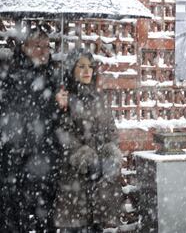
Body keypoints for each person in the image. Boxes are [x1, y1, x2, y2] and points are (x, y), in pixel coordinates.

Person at [0, 27, 63, 231]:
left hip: (46, 157)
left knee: (45, 215)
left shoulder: (54, 74)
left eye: (47, 46)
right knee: (16, 216)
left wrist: (62, 104)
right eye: (37, 46)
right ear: (25, 47)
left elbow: (55, 120)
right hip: (18, 158)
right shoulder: (12, 73)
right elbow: (18, 112)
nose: (44, 51)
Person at [54, 48, 123, 232]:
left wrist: (110, 154)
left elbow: (111, 131)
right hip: (76, 179)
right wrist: (85, 157)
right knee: (78, 225)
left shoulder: (100, 98)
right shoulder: (65, 99)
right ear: (71, 69)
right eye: (81, 66)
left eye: (90, 67)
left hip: (101, 181)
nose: (87, 71)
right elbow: (64, 135)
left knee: (97, 225)